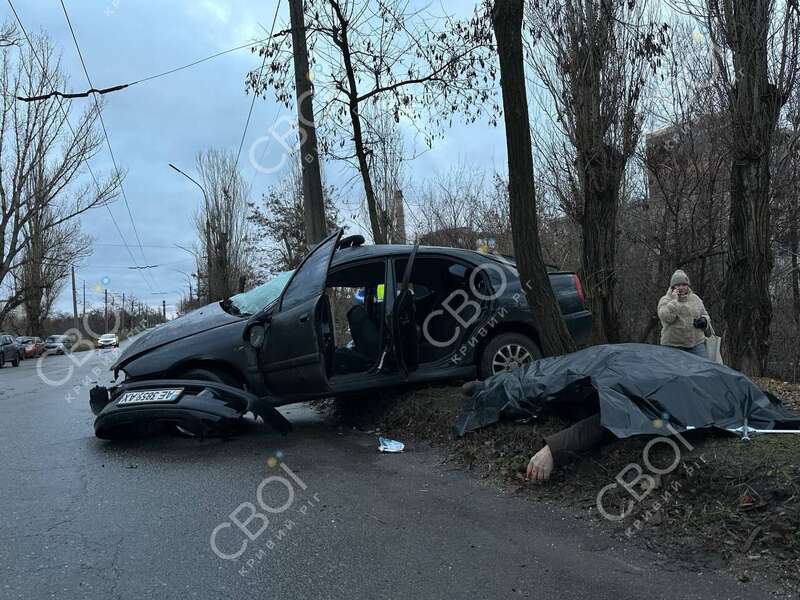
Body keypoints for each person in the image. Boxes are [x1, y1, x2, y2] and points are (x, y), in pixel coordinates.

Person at [657, 269, 711, 357]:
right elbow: (667, 318)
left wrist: (704, 320)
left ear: (688, 286)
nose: (681, 287)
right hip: (673, 345)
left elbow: (705, 314)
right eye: (678, 285)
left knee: (702, 368)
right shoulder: (665, 300)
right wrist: (675, 300)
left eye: (684, 284)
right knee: (673, 371)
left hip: (696, 344)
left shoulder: (695, 299)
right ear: (673, 287)